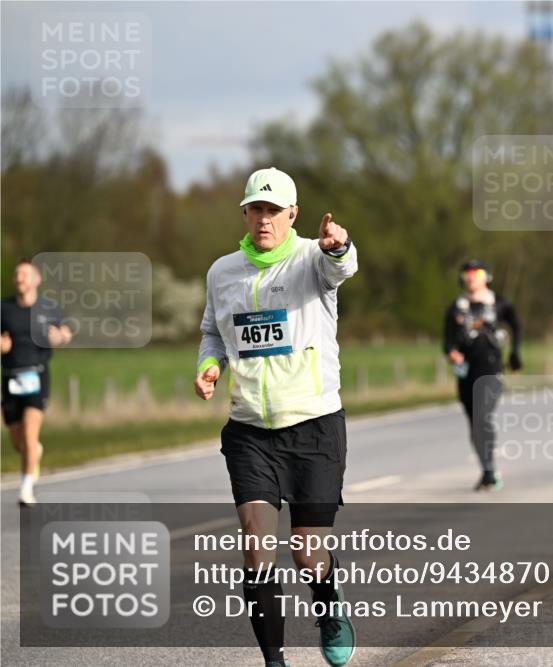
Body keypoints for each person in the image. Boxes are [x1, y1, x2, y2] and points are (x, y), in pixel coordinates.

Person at [194, 167, 358, 667]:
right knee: (256, 543)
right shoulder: (222, 272)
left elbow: (341, 268)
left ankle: (329, 609)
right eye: (255, 209)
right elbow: (213, 332)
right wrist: (209, 366)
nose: (263, 219)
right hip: (250, 430)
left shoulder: (312, 258)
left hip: (314, 425)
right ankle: (274, 662)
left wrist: (338, 246)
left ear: (293, 214)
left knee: (308, 553)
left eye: (273, 210)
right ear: (244, 213)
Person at [443, 259, 522, 492]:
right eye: (466, 272)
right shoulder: (456, 308)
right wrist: (451, 353)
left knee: (482, 416)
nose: (470, 277)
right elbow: (446, 341)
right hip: (466, 373)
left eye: (475, 272)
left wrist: (516, 351)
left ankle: (490, 471)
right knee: (474, 423)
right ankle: (487, 469)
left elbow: (517, 325)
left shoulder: (499, 304)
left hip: (491, 370)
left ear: (486, 276)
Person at [1, 259, 72, 506]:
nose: (20, 278)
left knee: (30, 437)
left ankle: (26, 488)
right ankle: (35, 455)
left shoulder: (48, 308)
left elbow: (65, 332)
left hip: (37, 376)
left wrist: (60, 337)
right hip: (10, 377)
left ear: (36, 279)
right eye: (17, 274)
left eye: (24, 274)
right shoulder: (4, 308)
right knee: (19, 443)